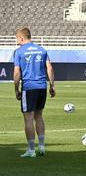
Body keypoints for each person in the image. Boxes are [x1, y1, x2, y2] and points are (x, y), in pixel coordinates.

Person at [12, 27, 55, 158]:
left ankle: (31, 150)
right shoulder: (42, 50)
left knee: (28, 118)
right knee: (39, 116)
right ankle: (41, 147)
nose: (17, 41)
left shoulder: (19, 52)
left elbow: (17, 72)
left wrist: (16, 89)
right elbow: (50, 68)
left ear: (21, 38)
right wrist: (52, 86)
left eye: (17, 39)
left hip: (29, 87)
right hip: (41, 86)